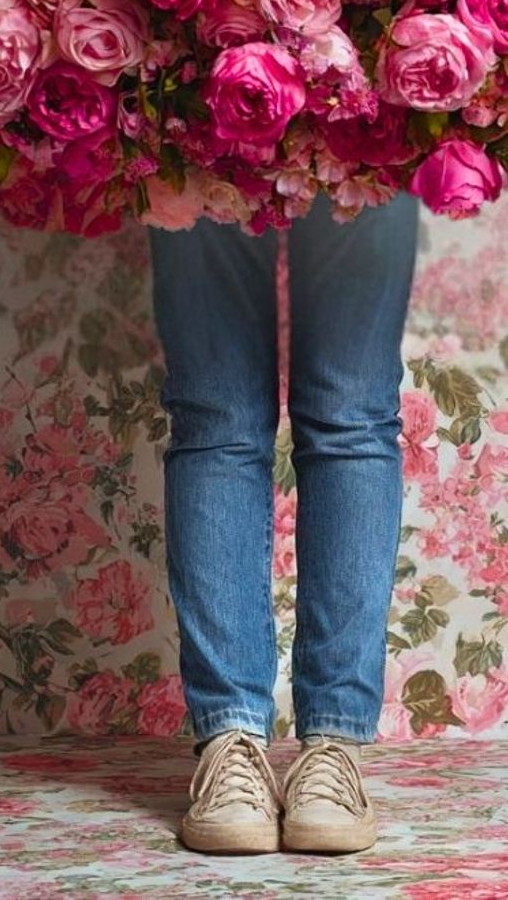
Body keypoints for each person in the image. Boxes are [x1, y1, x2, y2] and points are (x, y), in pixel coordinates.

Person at [148, 189, 421, 855]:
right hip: (197, 126)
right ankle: (230, 738)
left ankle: (334, 744)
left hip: (371, 128)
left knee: (351, 413)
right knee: (217, 414)